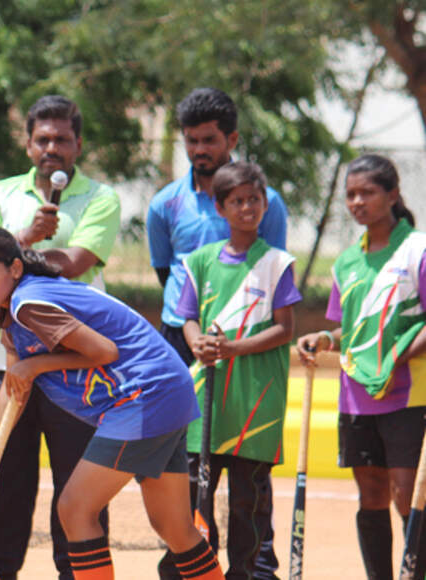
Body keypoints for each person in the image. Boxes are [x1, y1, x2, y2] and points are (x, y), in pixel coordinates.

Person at [0, 226, 224, 580]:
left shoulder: (29, 304)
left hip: (144, 394)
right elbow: (14, 389)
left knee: (75, 509)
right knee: (174, 527)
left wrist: (37, 364)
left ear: (15, 269)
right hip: (167, 390)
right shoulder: (12, 315)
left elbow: (104, 351)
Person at [0, 95, 119, 579]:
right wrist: (27, 237)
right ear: (28, 142)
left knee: (78, 490)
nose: (51, 148)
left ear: (78, 144)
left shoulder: (102, 197)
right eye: (42, 139)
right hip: (7, 362)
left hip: (76, 367)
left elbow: (74, 264)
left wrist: (16, 252)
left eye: (62, 139)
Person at [147, 87, 287, 578]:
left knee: (247, 471)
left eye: (208, 140)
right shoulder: (165, 204)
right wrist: (194, 332)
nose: (199, 150)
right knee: (182, 465)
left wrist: (232, 337)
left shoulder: (270, 204)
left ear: (231, 138)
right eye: (190, 141)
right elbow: (171, 277)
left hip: (247, 348)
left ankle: (254, 568)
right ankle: (185, 561)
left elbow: (270, 277)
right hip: (182, 341)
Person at [296, 154, 426, 580]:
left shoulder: (417, 250)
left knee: (407, 496)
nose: (356, 201)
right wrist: (325, 340)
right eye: (350, 194)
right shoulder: (346, 262)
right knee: (370, 494)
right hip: (356, 396)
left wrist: (399, 356)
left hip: (409, 393)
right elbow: (348, 329)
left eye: (367, 192)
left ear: (392, 195)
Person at [176, 162, 300, 579]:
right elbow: (187, 317)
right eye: (236, 201)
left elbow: (286, 329)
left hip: (255, 401)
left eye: (254, 199)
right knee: (198, 494)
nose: (246, 208)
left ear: (265, 204)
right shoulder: (200, 261)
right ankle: (199, 570)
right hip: (207, 398)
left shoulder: (278, 263)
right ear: (219, 207)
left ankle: (244, 572)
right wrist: (197, 342)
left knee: (248, 499)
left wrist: (231, 348)